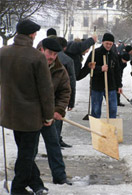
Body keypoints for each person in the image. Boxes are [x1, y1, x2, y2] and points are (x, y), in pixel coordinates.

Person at [0, 19, 55, 195]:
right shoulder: (37, 56)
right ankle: (18, 188)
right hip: (31, 116)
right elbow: (45, 91)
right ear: (32, 35)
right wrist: (48, 116)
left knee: (25, 151)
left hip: (11, 112)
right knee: (26, 154)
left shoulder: (3, 53)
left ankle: (37, 184)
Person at [37, 38, 72, 186]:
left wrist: (58, 110)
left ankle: (60, 177)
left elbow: (65, 92)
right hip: (32, 114)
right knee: (29, 150)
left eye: (55, 54)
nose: (52, 57)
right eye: (49, 53)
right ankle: (27, 177)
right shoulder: (33, 65)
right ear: (42, 50)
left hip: (49, 115)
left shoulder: (60, 69)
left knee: (54, 146)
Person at [78, 33, 122, 118]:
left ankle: (111, 127)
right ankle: (96, 128)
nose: (108, 46)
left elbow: (117, 71)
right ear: (102, 42)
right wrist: (100, 69)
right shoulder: (95, 53)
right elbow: (88, 68)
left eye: (110, 44)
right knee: (96, 109)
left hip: (111, 86)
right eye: (107, 43)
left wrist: (119, 85)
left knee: (113, 108)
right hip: (97, 86)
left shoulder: (114, 55)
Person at [55, 37, 76, 148]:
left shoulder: (43, 57)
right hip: (60, 95)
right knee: (58, 119)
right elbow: (71, 82)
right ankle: (56, 140)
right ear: (64, 47)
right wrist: (71, 101)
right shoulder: (67, 60)